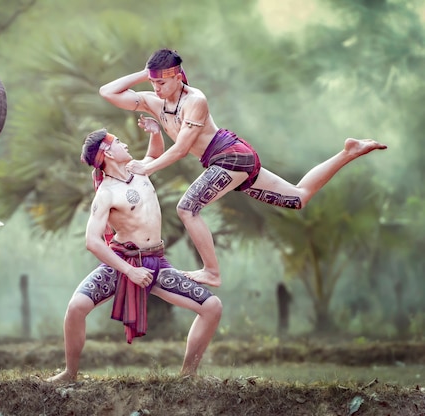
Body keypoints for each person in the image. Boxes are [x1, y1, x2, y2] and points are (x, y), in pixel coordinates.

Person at [99, 48, 388, 288]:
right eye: (153, 83)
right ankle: (349, 152)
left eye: (161, 82)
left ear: (177, 77)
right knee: (298, 198)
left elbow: (182, 149)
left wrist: (146, 169)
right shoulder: (154, 101)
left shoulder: (195, 101)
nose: (155, 88)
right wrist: (145, 71)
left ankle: (212, 272)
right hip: (225, 162)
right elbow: (108, 92)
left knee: (187, 209)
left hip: (231, 157)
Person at [46, 125, 222, 383]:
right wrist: (129, 270)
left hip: (156, 264)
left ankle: (187, 376)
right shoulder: (105, 194)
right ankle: (70, 373)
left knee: (212, 307)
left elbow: (155, 154)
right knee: (75, 308)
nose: (125, 144)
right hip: (123, 264)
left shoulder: (138, 169)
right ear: (107, 152)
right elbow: (92, 242)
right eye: (118, 141)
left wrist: (154, 132)